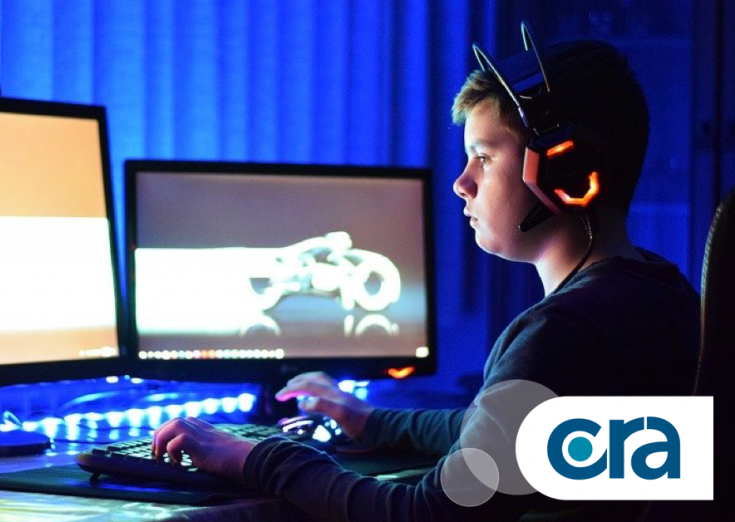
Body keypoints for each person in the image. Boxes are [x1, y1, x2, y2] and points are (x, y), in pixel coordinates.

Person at [151, 37, 701, 521]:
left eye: (483, 157)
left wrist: (260, 457)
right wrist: (370, 420)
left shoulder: (561, 333)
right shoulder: (662, 294)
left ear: (564, 170)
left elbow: (427, 514)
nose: (462, 182)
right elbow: (520, 441)